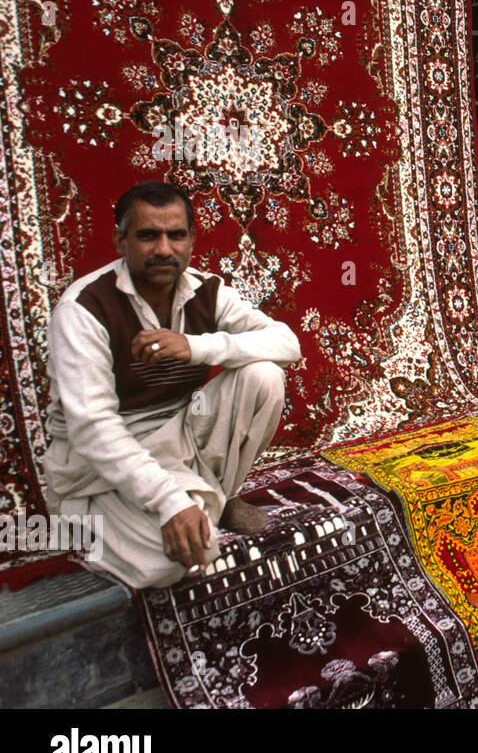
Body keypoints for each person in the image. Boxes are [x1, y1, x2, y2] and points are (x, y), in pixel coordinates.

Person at [42, 181, 302, 589]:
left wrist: (195, 347)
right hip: (101, 466)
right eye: (148, 235)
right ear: (120, 239)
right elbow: (93, 428)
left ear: (192, 239)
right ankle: (116, 518)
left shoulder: (206, 289)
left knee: (264, 375)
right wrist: (169, 503)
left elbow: (287, 343)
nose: (164, 249)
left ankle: (216, 496)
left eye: (176, 235)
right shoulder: (83, 309)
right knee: (170, 564)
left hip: (177, 435)